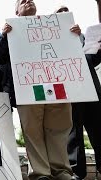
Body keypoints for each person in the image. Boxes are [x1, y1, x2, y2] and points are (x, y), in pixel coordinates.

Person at [0, 0, 82, 179]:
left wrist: (75, 35)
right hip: (28, 89)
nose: (28, 1)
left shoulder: (55, 26)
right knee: (33, 131)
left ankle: (61, 171)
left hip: (57, 86)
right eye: (22, 0)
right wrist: (5, 36)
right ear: (17, 10)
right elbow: (1, 57)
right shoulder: (9, 30)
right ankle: (41, 173)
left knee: (59, 129)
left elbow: (71, 51)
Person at [54, 4, 101, 179]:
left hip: (91, 89)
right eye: (60, 14)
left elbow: (93, 60)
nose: (65, 15)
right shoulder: (51, 42)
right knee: (73, 132)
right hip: (69, 91)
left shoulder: (83, 36)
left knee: (98, 128)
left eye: (67, 13)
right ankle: (76, 172)